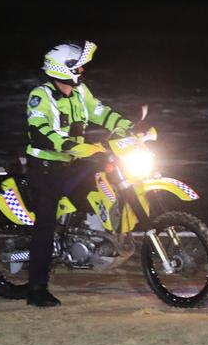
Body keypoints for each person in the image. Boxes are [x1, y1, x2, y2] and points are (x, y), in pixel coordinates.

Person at [24, 41, 133, 307]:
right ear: (62, 69)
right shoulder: (40, 96)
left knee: (104, 177)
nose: (83, 69)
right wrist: (69, 145)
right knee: (45, 223)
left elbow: (100, 112)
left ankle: (89, 237)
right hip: (45, 167)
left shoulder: (80, 91)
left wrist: (127, 127)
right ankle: (36, 287)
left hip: (71, 163)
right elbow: (40, 130)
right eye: (78, 66)